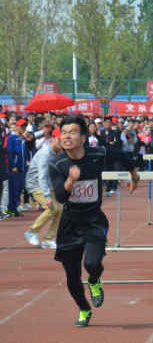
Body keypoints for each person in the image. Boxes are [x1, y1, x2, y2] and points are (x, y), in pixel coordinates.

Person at [49, 115, 140, 327]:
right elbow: (60, 197)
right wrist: (70, 180)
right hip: (70, 224)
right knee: (72, 277)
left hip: (93, 220)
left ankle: (94, 280)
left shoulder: (97, 154)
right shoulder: (57, 163)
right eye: (64, 132)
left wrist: (133, 176)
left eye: (72, 132)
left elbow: (122, 155)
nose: (67, 136)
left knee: (92, 263)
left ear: (83, 138)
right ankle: (84, 308)